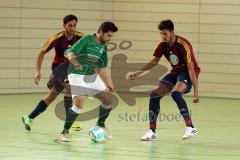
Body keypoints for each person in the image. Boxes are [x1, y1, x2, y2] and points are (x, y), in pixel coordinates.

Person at [129, 19, 200, 141]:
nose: (163, 36)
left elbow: (191, 68)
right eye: (161, 33)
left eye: (165, 33)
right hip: (175, 73)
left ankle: (190, 127)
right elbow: (154, 61)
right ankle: (152, 132)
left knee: (176, 94)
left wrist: (196, 93)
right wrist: (137, 73)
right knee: (154, 95)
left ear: (172, 32)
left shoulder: (184, 44)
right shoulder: (163, 44)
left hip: (187, 74)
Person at [22, 14, 83, 131]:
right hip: (58, 68)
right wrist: (38, 71)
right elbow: (41, 53)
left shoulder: (80, 37)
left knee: (52, 95)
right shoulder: (57, 38)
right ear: (64, 25)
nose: (72, 28)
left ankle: (29, 117)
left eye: (74, 25)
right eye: (69, 25)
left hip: (71, 68)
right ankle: (69, 121)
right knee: (69, 89)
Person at [58, 21, 118, 142]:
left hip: (91, 75)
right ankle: (64, 132)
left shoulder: (103, 47)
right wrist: (76, 63)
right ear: (101, 32)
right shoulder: (86, 39)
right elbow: (70, 53)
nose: (110, 39)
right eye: (109, 36)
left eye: (111, 36)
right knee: (79, 102)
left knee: (107, 100)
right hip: (76, 74)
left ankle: (100, 125)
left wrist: (108, 83)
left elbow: (100, 67)